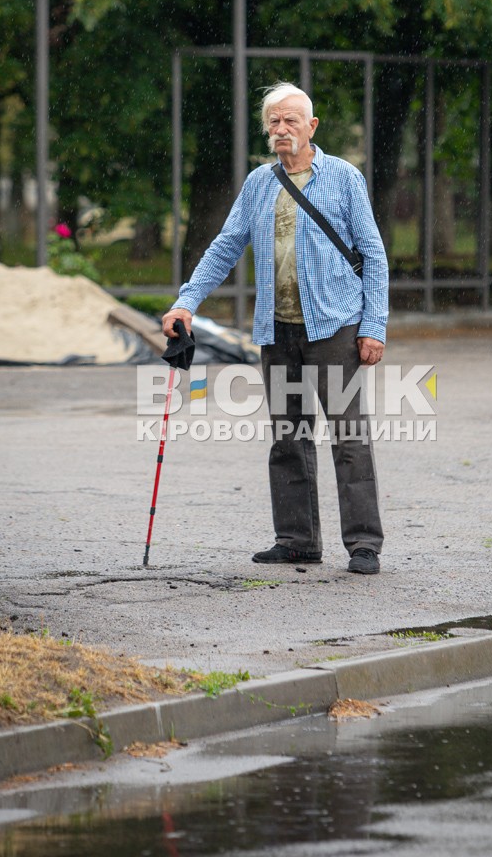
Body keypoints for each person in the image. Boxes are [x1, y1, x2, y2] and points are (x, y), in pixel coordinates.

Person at [162, 82, 388, 574]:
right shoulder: (260, 184)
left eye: (291, 120)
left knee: (348, 436)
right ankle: (297, 540)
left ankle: (364, 544)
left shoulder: (344, 178)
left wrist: (374, 327)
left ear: (312, 126)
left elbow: (373, 254)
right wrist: (186, 302)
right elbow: (225, 246)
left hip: (335, 327)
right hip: (278, 329)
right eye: (274, 122)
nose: (282, 129)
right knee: (288, 436)